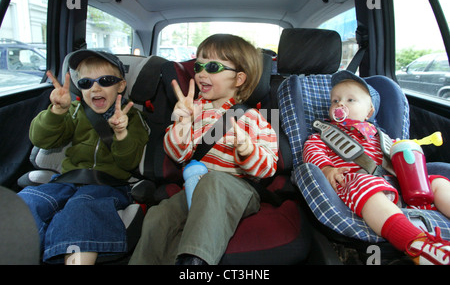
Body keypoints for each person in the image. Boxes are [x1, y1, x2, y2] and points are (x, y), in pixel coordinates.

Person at [129, 34, 278, 265]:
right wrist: (183, 124)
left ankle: (194, 263)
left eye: (212, 66)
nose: (200, 73)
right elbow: (179, 154)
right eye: (198, 65)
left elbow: (267, 168)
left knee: (213, 183)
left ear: (239, 79)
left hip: (238, 190)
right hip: (194, 188)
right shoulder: (193, 111)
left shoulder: (256, 118)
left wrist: (248, 151)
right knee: (160, 215)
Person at [303, 70, 450, 265]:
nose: (339, 104)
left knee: (438, 182)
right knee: (363, 182)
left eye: (350, 100)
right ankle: (417, 244)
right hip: (354, 183)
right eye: (334, 101)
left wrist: (408, 155)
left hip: (398, 186)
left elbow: (404, 161)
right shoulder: (322, 135)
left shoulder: (383, 138)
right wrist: (327, 169)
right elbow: (312, 152)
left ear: (369, 111)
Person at [18, 50, 149, 264]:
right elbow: (42, 139)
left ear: (121, 86)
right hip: (66, 179)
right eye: (86, 83)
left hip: (108, 185)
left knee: (81, 208)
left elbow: (130, 161)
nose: (95, 88)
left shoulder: (133, 117)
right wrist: (57, 112)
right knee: (28, 202)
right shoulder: (75, 110)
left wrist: (121, 133)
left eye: (105, 81)